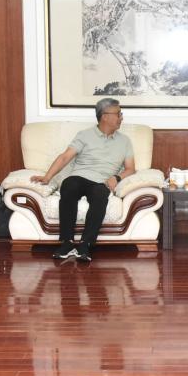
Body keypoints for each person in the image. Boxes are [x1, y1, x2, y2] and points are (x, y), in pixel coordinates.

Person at [30, 97, 134, 263]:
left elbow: (130, 168)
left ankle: (86, 244)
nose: (121, 117)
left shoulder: (125, 141)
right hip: (80, 177)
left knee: (100, 195)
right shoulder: (84, 135)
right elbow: (65, 157)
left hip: (102, 182)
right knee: (69, 185)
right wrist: (47, 177)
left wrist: (117, 177)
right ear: (104, 116)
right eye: (118, 113)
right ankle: (67, 242)